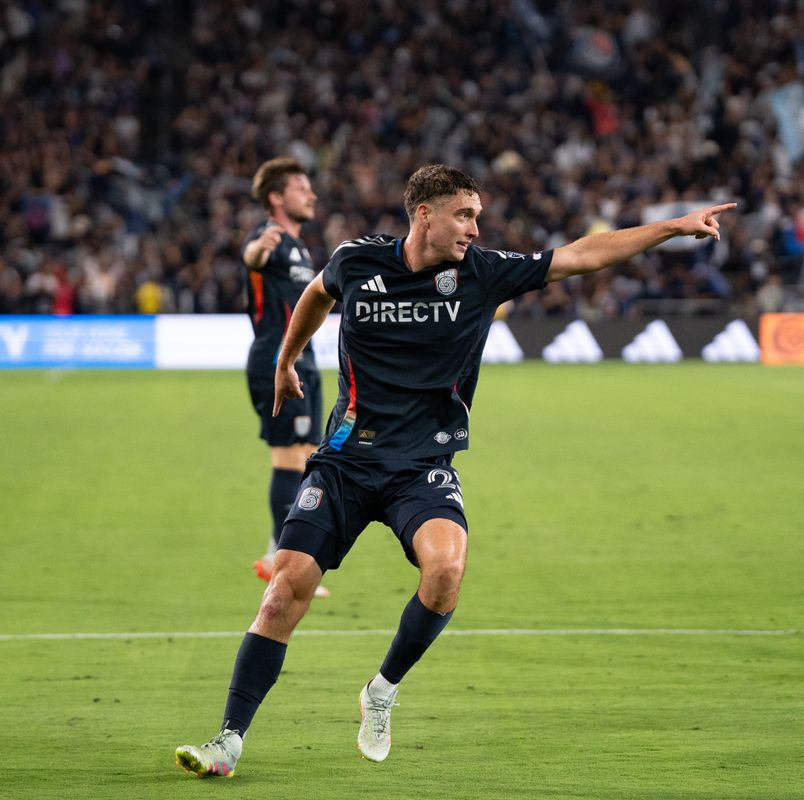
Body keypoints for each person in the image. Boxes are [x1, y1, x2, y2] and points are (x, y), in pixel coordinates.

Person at [175, 164, 736, 777]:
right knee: (285, 591)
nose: (475, 227)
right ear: (424, 214)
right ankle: (227, 741)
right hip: (346, 459)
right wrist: (289, 358)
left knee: (446, 570)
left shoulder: (483, 273)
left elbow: (581, 256)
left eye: (477, 215)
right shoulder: (356, 261)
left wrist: (672, 228)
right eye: (464, 215)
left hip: (421, 464)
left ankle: (382, 689)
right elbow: (315, 294)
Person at [240, 157, 329, 598]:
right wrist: (258, 250)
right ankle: (280, 562)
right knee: (289, 459)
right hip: (277, 361)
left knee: (309, 457)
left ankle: (282, 556)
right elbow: (252, 258)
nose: (311, 194)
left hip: (306, 361)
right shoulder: (267, 236)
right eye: (301, 188)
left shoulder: (301, 248)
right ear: (277, 197)